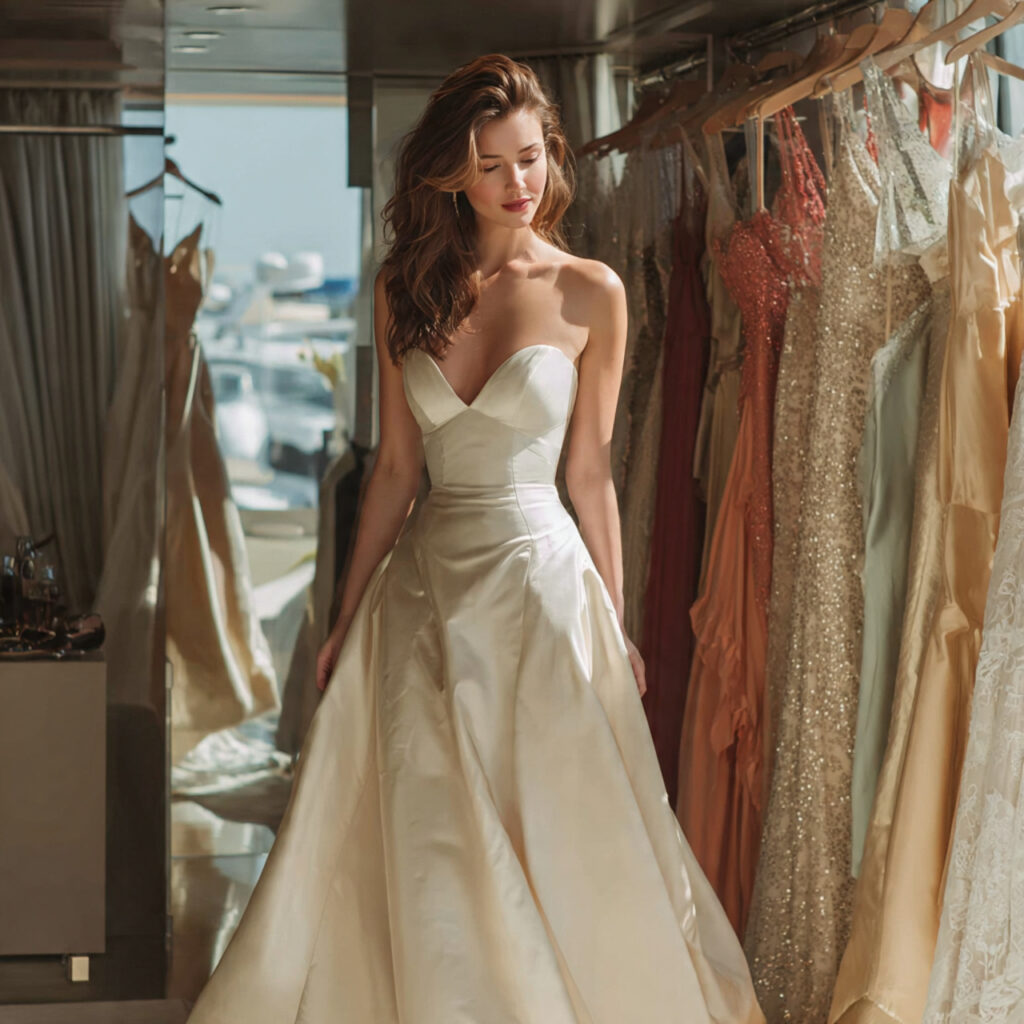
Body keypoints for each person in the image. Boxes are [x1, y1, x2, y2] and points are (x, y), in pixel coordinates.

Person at [185, 53, 763, 1024]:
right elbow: (397, 474)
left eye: (530, 158)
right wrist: (342, 615)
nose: (517, 184)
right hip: (420, 596)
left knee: (556, 831)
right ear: (452, 176)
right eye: (491, 165)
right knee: (432, 835)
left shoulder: (593, 292)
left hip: (540, 593)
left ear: (553, 156)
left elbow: (589, 474)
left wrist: (613, 623)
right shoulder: (403, 289)